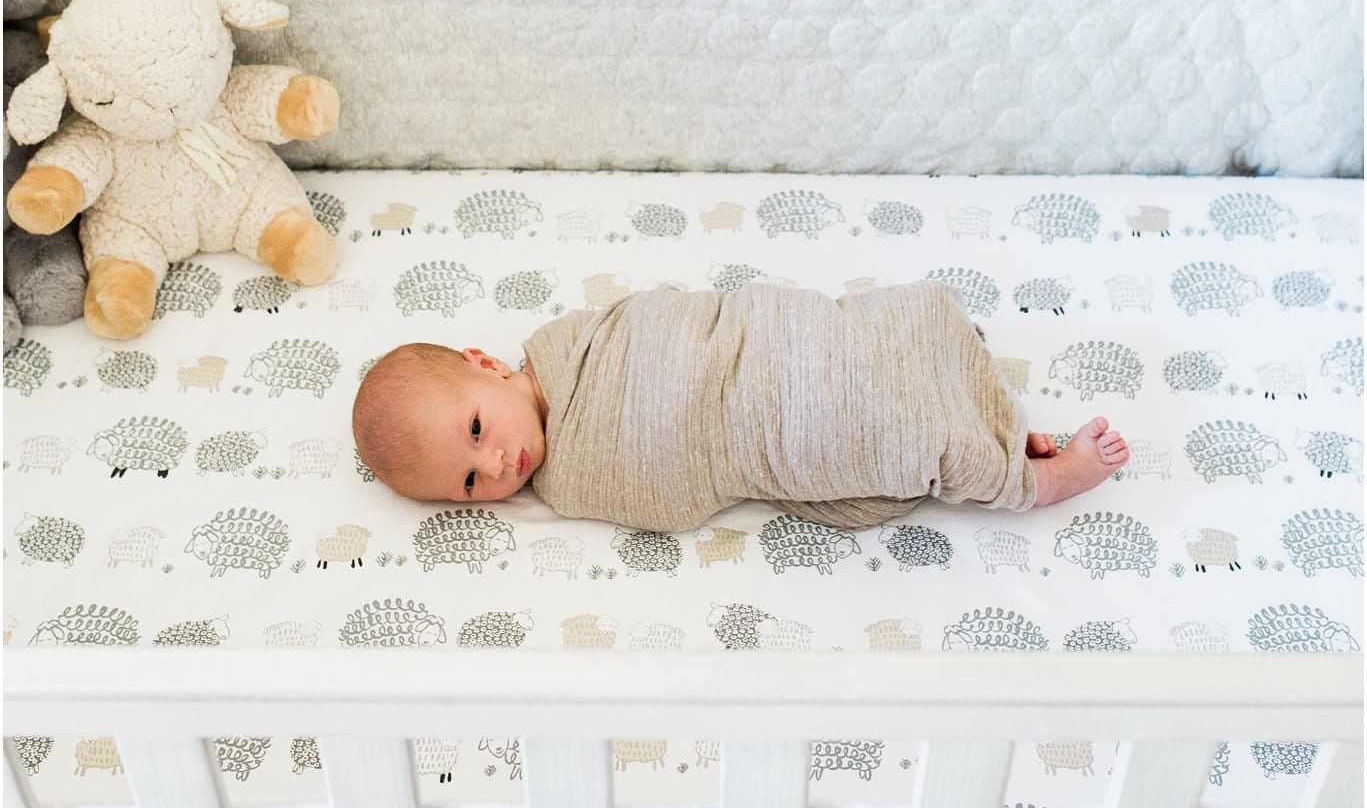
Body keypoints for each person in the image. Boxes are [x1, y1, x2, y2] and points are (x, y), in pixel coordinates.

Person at [352, 281, 1129, 531]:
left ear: (488, 365)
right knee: (867, 425)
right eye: (466, 484)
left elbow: (669, 316)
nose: (495, 465)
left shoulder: (567, 340)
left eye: (477, 431)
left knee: (862, 338)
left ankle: (987, 420)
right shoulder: (569, 483)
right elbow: (674, 492)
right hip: (752, 424)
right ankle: (1029, 476)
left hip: (758, 347)